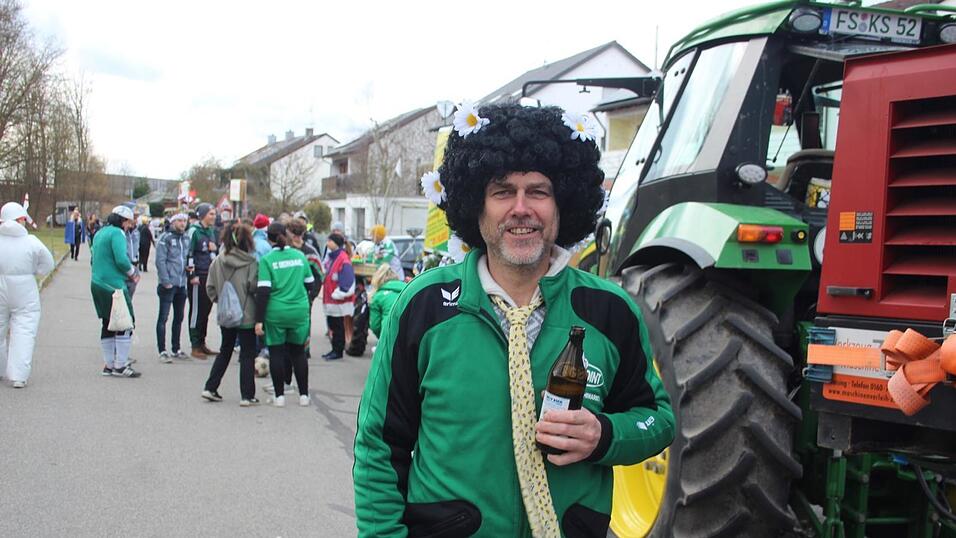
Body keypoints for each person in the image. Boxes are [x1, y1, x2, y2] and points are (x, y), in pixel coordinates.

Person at [353, 103, 675, 537]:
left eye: (538, 192)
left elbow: (658, 419)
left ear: (562, 205)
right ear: (477, 206)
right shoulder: (424, 305)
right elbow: (379, 445)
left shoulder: (610, 310)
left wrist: (604, 434)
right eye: (503, 192)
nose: (521, 208)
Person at [254, 222, 315, 407]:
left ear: (269, 238)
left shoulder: (267, 260)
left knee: (276, 353)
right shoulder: (300, 256)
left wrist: (259, 320)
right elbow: (310, 284)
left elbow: (263, 292)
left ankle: (279, 397)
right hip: (299, 311)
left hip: (276, 312)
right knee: (298, 353)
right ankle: (304, 396)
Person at [202, 221, 260, 406]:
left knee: (225, 350)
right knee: (247, 354)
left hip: (226, 314)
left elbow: (210, 288)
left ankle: (211, 387)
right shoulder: (251, 262)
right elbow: (253, 286)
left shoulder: (218, 261)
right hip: (247, 314)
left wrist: (221, 301)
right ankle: (247, 395)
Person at [0, 202, 54, 388]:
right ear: (21, 219)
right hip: (24, 290)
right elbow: (48, 264)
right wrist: (35, 272)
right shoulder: (31, 241)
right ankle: (18, 376)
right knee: (24, 330)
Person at [90, 205, 141, 378]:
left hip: (97, 282)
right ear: (122, 221)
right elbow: (121, 259)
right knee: (124, 322)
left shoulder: (100, 233)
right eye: (128, 222)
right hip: (113, 285)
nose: (129, 226)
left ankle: (109, 365)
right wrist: (132, 273)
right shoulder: (118, 233)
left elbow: (93, 257)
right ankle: (120, 365)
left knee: (107, 323)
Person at [154, 213, 190, 362]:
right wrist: (165, 280)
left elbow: (187, 257)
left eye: (185, 221)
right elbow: (160, 260)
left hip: (182, 283)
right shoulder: (166, 238)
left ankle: (176, 348)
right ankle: (162, 350)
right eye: (180, 221)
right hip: (168, 283)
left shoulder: (186, 238)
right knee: (163, 317)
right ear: (173, 222)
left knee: (179, 317)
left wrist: (189, 270)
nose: (183, 223)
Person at [187, 203, 218, 359]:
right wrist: (192, 275)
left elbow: (213, 252)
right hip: (198, 276)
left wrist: (214, 249)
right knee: (197, 311)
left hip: (209, 274)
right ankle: (195, 345)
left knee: (206, 311)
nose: (214, 217)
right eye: (211, 214)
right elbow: (189, 253)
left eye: (214, 214)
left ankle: (202, 342)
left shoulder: (210, 231)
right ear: (203, 215)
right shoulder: (194, 231)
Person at [321, 233, 354, 361]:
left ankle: (338, 351)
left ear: (335, 243)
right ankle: (334, 349)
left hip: (338, 301)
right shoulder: (334, 257)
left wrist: (339, 293)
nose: (327, 243)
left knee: (337, 327)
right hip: (332, 300)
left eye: (330, 240)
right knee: (333, 326)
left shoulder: (343, 259)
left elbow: (347, 280)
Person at [367, 264, 404, 340]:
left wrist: (382, 340)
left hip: (390, 334)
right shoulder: (408, 290)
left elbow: (375, 326)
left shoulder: (378, 296)